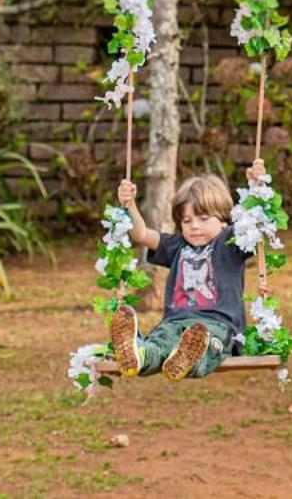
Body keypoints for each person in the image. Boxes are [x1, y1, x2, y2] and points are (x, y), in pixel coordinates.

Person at [110, 158, 268, 380]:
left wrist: (257, 186)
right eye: (187, 220)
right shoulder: (177, 246)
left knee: (208, 343)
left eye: (203, 219)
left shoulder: (229, 243)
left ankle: (186, 360)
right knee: (160, 340)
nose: (194, 226)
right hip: (175, 322)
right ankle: (138, 355)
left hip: (219, 325)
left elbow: (254, 224)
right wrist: (130, 205)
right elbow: (141, 234)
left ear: (224, 221)